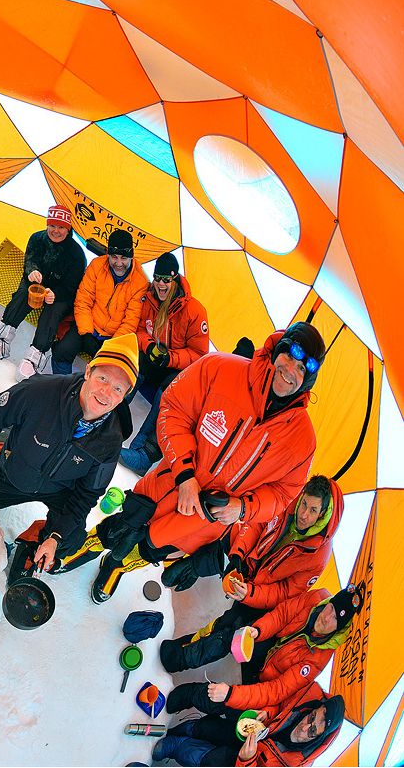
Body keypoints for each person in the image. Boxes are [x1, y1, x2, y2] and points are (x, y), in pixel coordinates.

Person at [84, 322, 324, 603]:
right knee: (123, 527)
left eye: (303, 369)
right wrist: (185, 475)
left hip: (205, 520)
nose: (291, 371)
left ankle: (116, 567)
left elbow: (284, 494)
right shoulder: (220, 368)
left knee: (152, 549)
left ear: (308, 380)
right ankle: (78, 549)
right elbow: (173, 409)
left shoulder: (303, 440)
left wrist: (244, 509)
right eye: (289, 357)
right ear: (277, 351)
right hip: (169, 483)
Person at [0, 333, 137, 571]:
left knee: (70, 539)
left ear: (124, 396)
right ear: (89, 371)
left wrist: (55, 536)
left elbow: (86, 495)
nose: (106, 393)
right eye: (103, 378)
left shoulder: (111, 440)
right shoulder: (39, 390)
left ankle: (34, 543)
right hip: (16, 473)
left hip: (59, 489)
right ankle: (5, 445)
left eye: (117, 388)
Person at [160, 475, 344, 671]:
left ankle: (183, 658)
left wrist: (250, 594)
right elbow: (256, 523)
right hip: (246, 563)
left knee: (233, 628)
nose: (304, 514)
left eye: (313, 510)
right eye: (304, 504)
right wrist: (237, 556)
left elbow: (284, 592)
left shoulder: (318, 555)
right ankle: (197, 566)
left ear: (322, 514)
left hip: (262, 593)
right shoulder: (287, 502)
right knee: (219, 535)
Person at [165, 583, 364, 720]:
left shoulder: (319, 659)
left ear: (340, 629)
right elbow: (282, 614)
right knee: (232, 636)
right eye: (330, 608)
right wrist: (257, 630)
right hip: (267, 642)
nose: (327, 618)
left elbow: (277, 689)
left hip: (267, 678)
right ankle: (179, 659)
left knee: (231, 702)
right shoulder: (317, 597)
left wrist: (231, 694)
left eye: (336, 619)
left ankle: (186, 696)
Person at [119, 251, 210, 475]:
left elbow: (199, 354)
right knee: (133, 364)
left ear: (174, 279)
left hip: (179, 367)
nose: (160, 284)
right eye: (157, 278)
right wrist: (149, 345)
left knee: (167, 394)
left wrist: (171, 358)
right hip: (156, 357)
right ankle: (108, 415)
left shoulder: (194, 311)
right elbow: (140, 330)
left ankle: (143, 452)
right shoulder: (148, 297)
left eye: (166, 280)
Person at [0, 204, 86, 377]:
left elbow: (73, 287)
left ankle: (34, 358)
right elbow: (29, 261)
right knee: (22, 293)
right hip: (37, 285)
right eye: (52, 225)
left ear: (68, 229)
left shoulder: (76, 254)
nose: (56, 231)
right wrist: (32, 271)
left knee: (53, 311)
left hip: (61, 293)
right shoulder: (37, 239)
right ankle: (1, 341)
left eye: (61, 227)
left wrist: (56, 295)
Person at [153, 683, 343, 767]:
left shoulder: (292, 764)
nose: (303, 727)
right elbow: (279, 700)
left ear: (317, 740)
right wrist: (268, 712)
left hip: (243, 760)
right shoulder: (303, 701)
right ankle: (172, 731)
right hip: (248, 732)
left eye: (312, 730)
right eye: (311, 718)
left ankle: (172, 747)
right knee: (206, 727)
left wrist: (247, 760)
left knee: (204, 757)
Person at [48, 229, 146, 377]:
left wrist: (111, 346)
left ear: (132, 256)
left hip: (110, 339)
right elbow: (83, 299)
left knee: (108, 373)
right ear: (108, 255)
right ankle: (63, 386)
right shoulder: (97, 266)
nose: (119, 263)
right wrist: (86, 331)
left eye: (124, 258)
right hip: (87, 327)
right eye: (114, 257)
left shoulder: (140, 282)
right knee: (61, 352)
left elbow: (130, 322)